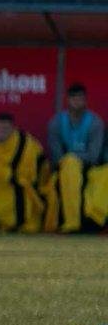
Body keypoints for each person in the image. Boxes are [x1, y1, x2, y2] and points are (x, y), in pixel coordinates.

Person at [0, 113, 54, 233]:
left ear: (13, 128)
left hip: (20, 187)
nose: (2, 132)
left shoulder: (25, 143)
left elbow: (35, 169)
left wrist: (9, 175)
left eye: (6, 128)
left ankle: (19, 223)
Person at [47, 83, 105, 233]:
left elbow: (94, 156)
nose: (77, 102)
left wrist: (73, 158)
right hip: (64, 169)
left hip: (90, 169)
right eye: (74, 98)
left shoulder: (95, 122)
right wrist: (69, 161)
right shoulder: (56, 122)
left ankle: (94, 222)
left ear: (86, 101)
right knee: (69, 165)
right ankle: (71, 222)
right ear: (68, 100)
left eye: (81, 98)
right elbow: (56, 156)